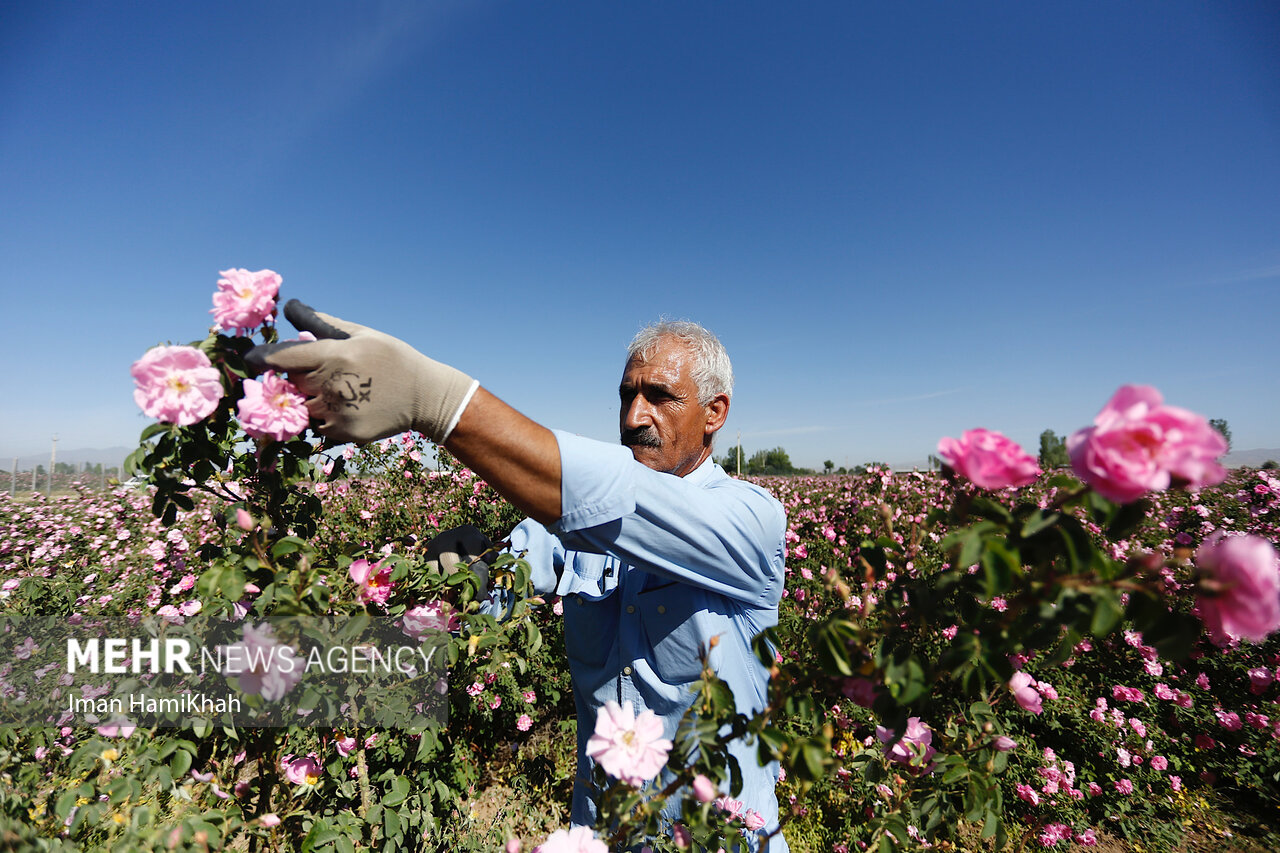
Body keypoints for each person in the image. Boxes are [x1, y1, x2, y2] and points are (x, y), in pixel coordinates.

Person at [248, 300, 788, 851]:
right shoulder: (572, 532)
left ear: (715, 413)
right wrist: (458, 572)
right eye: (628, 395)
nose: (633, 418)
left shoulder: (750, 521)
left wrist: (431, 398)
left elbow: (616, 500)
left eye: (659, 397)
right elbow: (498, 582)